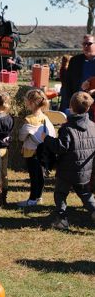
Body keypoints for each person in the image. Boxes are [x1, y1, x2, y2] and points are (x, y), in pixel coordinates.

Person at [42, 92, 95, 230]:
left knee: (60, 194)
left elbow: (61, 147)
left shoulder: (67, 128)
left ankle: (62, 220)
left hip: (66, 171)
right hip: (85, 171)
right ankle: (94, 210)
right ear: (88, 108)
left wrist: (46, 139)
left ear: (71, 107)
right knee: (85, 194)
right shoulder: (93, 126)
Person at [17, 89, 56, 207]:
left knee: (34, 177)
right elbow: (52, 134)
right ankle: (38, 197)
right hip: (44, 152)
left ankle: (32, 199)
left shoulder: (29, 119)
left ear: (31, 103)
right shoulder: (46, 118)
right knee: (41, 176)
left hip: (32, 152)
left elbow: (21, 137)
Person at [66, 34, 95, 104]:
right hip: (78, 102)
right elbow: (68, 81)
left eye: (89, 44)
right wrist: (70, 100)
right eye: (84, 44)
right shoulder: (75, 60)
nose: (86, 46)